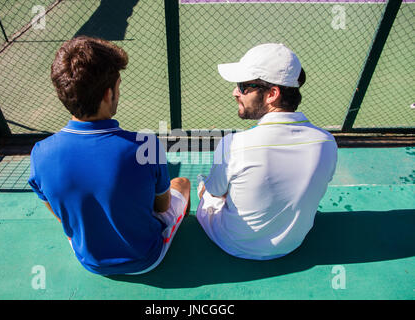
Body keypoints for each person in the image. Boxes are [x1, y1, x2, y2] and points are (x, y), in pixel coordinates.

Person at [28, 36, 190, 275]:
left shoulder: (40, 153)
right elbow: (162, 205)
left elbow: (60, 214)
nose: (119, 92)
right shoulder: (147, 146)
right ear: (107, 95)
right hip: (146, 258)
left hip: (89, 261)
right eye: (118, 86)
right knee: (182, 183)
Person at [196, 43, 338, 260]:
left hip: (233, 243)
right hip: (293, 243)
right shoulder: (327, 142)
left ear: (272, 94)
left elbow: (215, 193)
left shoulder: (234, 144)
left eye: (244, 86)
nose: (235, 92)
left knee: (203, 189)